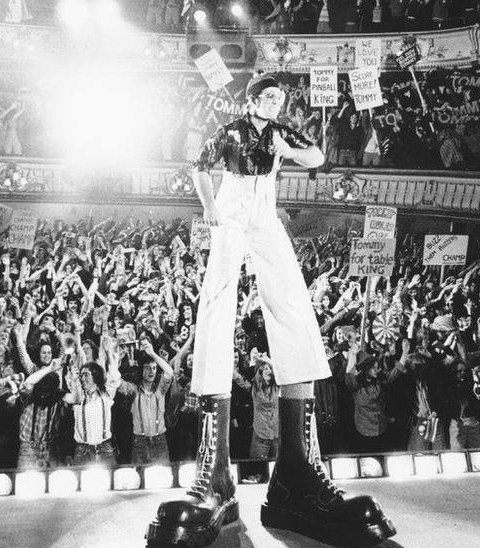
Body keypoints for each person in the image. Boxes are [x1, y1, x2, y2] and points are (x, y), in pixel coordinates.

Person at [147, 73, 395, 547]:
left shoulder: (278, 132)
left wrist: (288, 148)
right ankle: (215, 476)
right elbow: (198, 167)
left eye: (281, 98)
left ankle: (298, 475)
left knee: (295, 304)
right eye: (270, 97)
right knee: (217, 305)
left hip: (265, 212)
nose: (277, 103)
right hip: (232, 207)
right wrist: (209, 209)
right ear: (253, 99)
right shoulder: (231, 130)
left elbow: (318, 157)